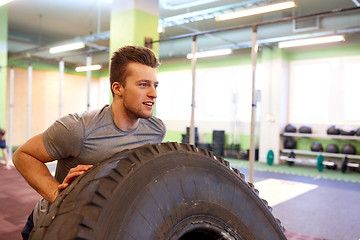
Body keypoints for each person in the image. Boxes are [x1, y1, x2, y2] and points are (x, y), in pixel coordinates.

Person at [13, 45, 166, 240]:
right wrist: (56, 194)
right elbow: (23, 155)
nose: (153, 93)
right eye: (143, 85)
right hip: (53, 225)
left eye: (155, 85)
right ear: (118, 88)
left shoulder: (155, 130)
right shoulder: (78, 129)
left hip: (100, 223)